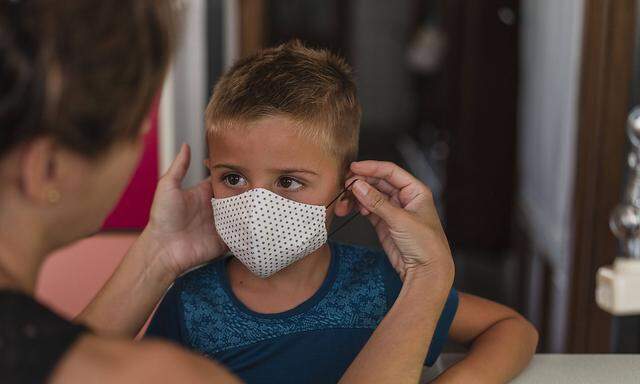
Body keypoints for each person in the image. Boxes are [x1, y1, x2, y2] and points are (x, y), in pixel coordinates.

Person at [146, 41, 539, 383]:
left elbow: (511, 328)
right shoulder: (189, 304)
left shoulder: (382, 285)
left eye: (288, 181)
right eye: (233, 178)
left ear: (348, 192)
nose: (256, 204)